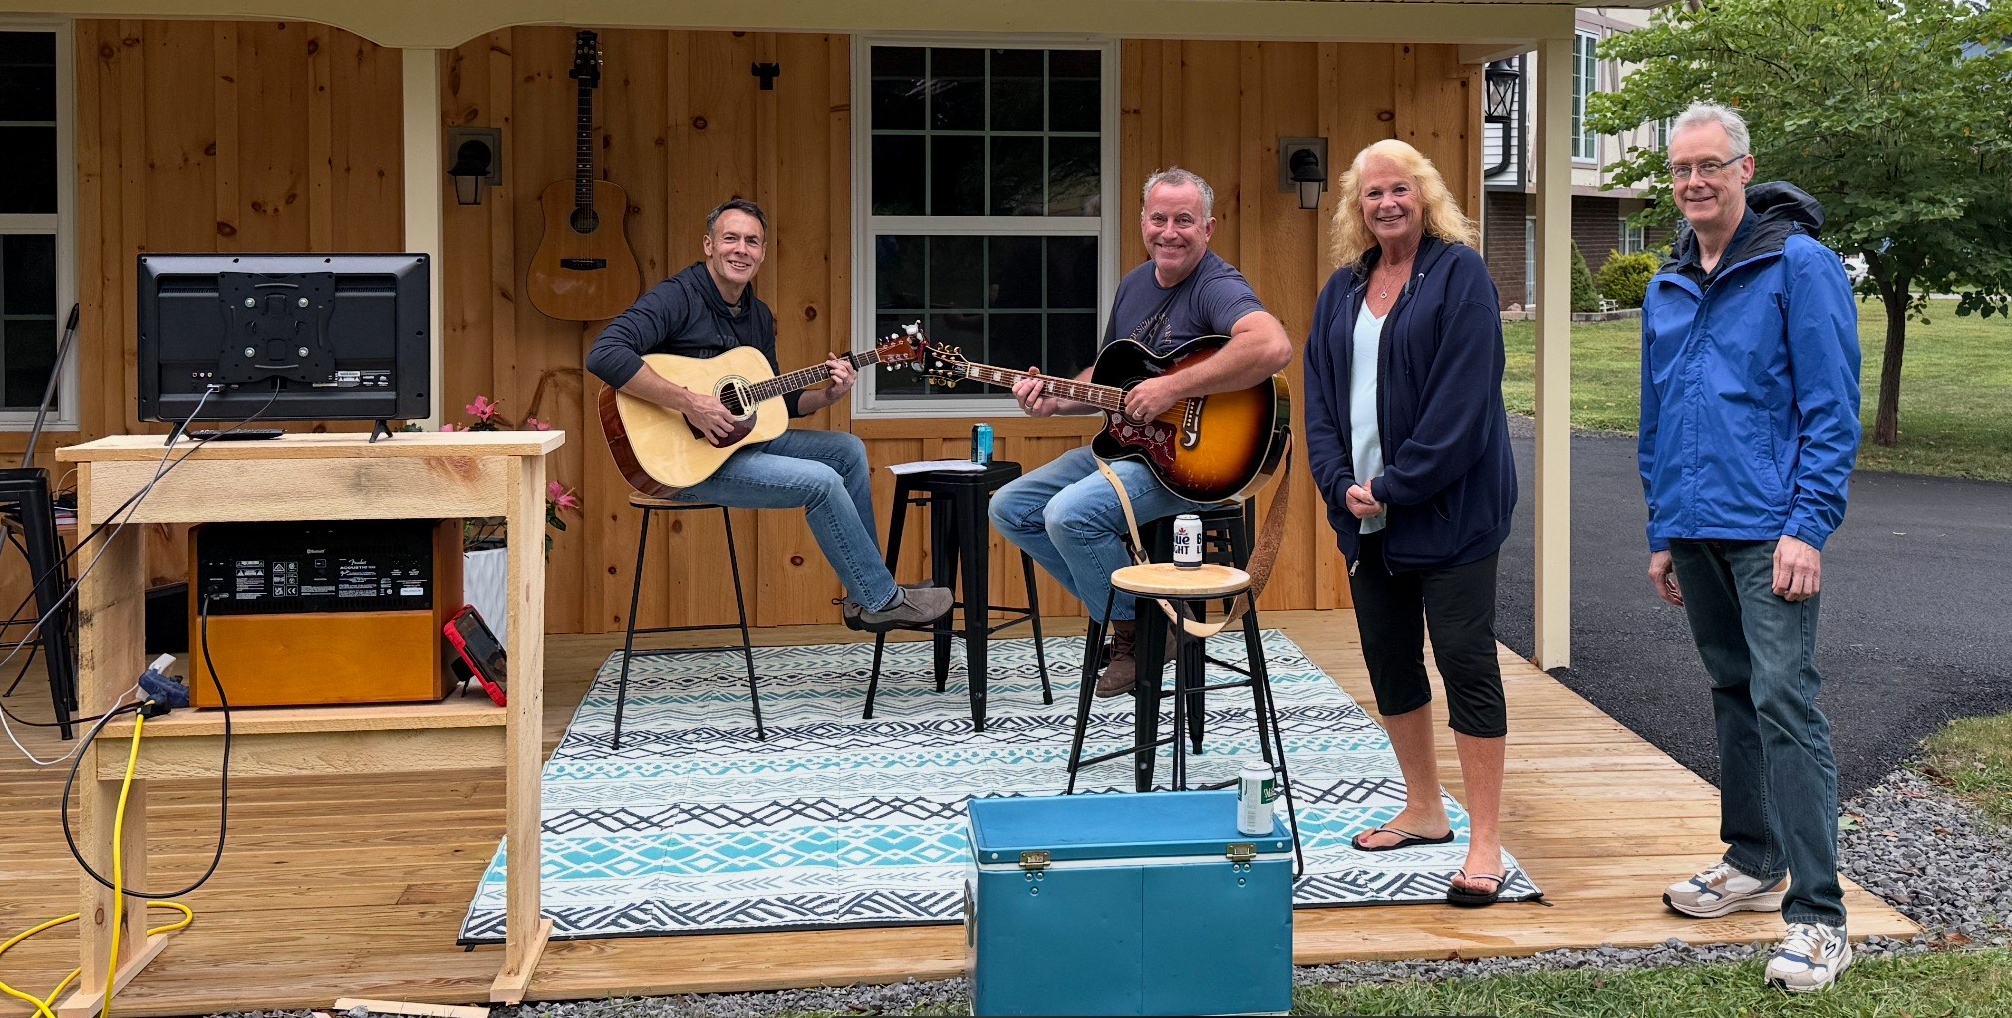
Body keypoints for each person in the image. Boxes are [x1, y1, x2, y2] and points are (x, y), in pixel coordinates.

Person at [1640, 102, 1861, 993]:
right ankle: (1752, 858)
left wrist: (1807, 527)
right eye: (1681, 169)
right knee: (1733, 691)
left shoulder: (1797, 265)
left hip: (1770, 532)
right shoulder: (1668, 282)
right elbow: (1658, 416)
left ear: (1745, 168)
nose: (1695, 181)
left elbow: (1831, 408)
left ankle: (1820, 918)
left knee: (1784, 701)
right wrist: (1662, 529)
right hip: (1694, 527)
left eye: (1710, 165)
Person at [1302, 139, 1517, 908]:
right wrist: (1339, 483)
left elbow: (1463, 405)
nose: (1387, 203)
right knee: (1390, 659)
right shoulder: (1343, 288)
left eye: (1400, 189)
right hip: (1366, 519)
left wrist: (1396, 485)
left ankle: (1485, 839)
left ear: (1424, 196)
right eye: (1373, 193)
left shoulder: (1460, 275)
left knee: (1464, 661)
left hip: (1452, 514)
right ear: (1356, 208)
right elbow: (1319, 399)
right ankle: (1424, 809)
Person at [988, 168, 1293, 696]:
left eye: (1184, 220)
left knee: (1069, 515)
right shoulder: (1134, 284)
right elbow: (1108, 379)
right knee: (1010, 507)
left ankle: (1136, 632)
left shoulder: (1215, 284)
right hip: (1132, 452)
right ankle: (1142, 617)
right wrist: (1057, 400)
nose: (1169, 232)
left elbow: (1272, 346)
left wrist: (1174, 388)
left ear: (1208, 228)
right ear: (1143, 223)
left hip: (1193, 465)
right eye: (1159, 219)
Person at [586, 198, 952, 632]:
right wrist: (690, 402)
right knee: (821, 481)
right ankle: (882, 598)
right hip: (684, 463)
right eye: (731, 238)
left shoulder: (757, 316)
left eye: (752, 241)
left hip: (741, 444)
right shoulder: (677, 297)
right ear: (709, 245)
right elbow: (604, 353)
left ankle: (865, 596)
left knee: (848, 451)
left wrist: (827, 396)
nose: (741, 249)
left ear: (762, 253)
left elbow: (775, 402)